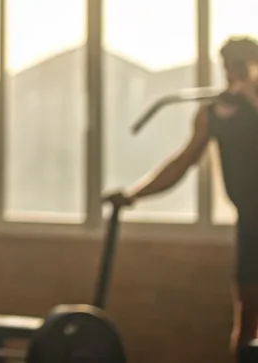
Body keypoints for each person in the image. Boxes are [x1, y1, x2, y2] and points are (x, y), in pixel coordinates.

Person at [105, 36, 258, 357]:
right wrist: (134, 195)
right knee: (247, 322)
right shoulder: (214, 113)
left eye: (241, 68)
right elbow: (181, 163)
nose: (233, 76)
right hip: (251, 225)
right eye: (228, 68)